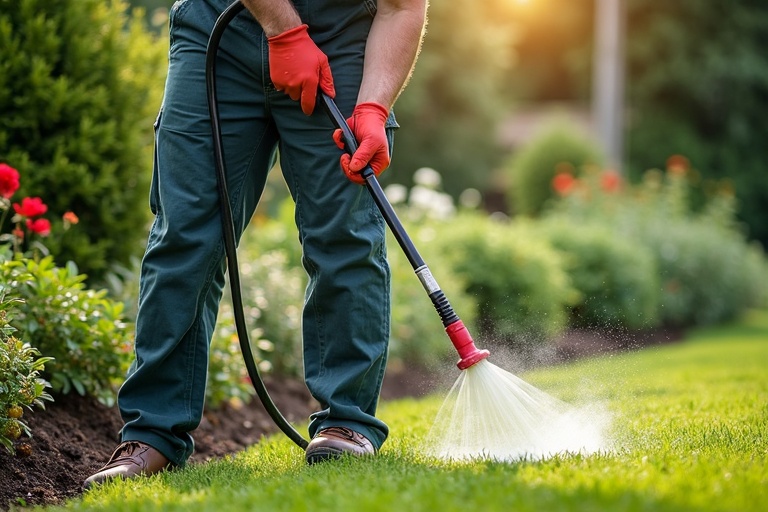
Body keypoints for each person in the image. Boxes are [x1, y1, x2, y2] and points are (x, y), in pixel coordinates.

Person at [84, 0, 427, 488]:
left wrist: (373, 107)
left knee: (344, 234)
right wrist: (284, 32)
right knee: (186, 236)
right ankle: (154, 434)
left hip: (343, 35)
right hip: (221, 30)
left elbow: (402, 7)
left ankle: (347, 424)